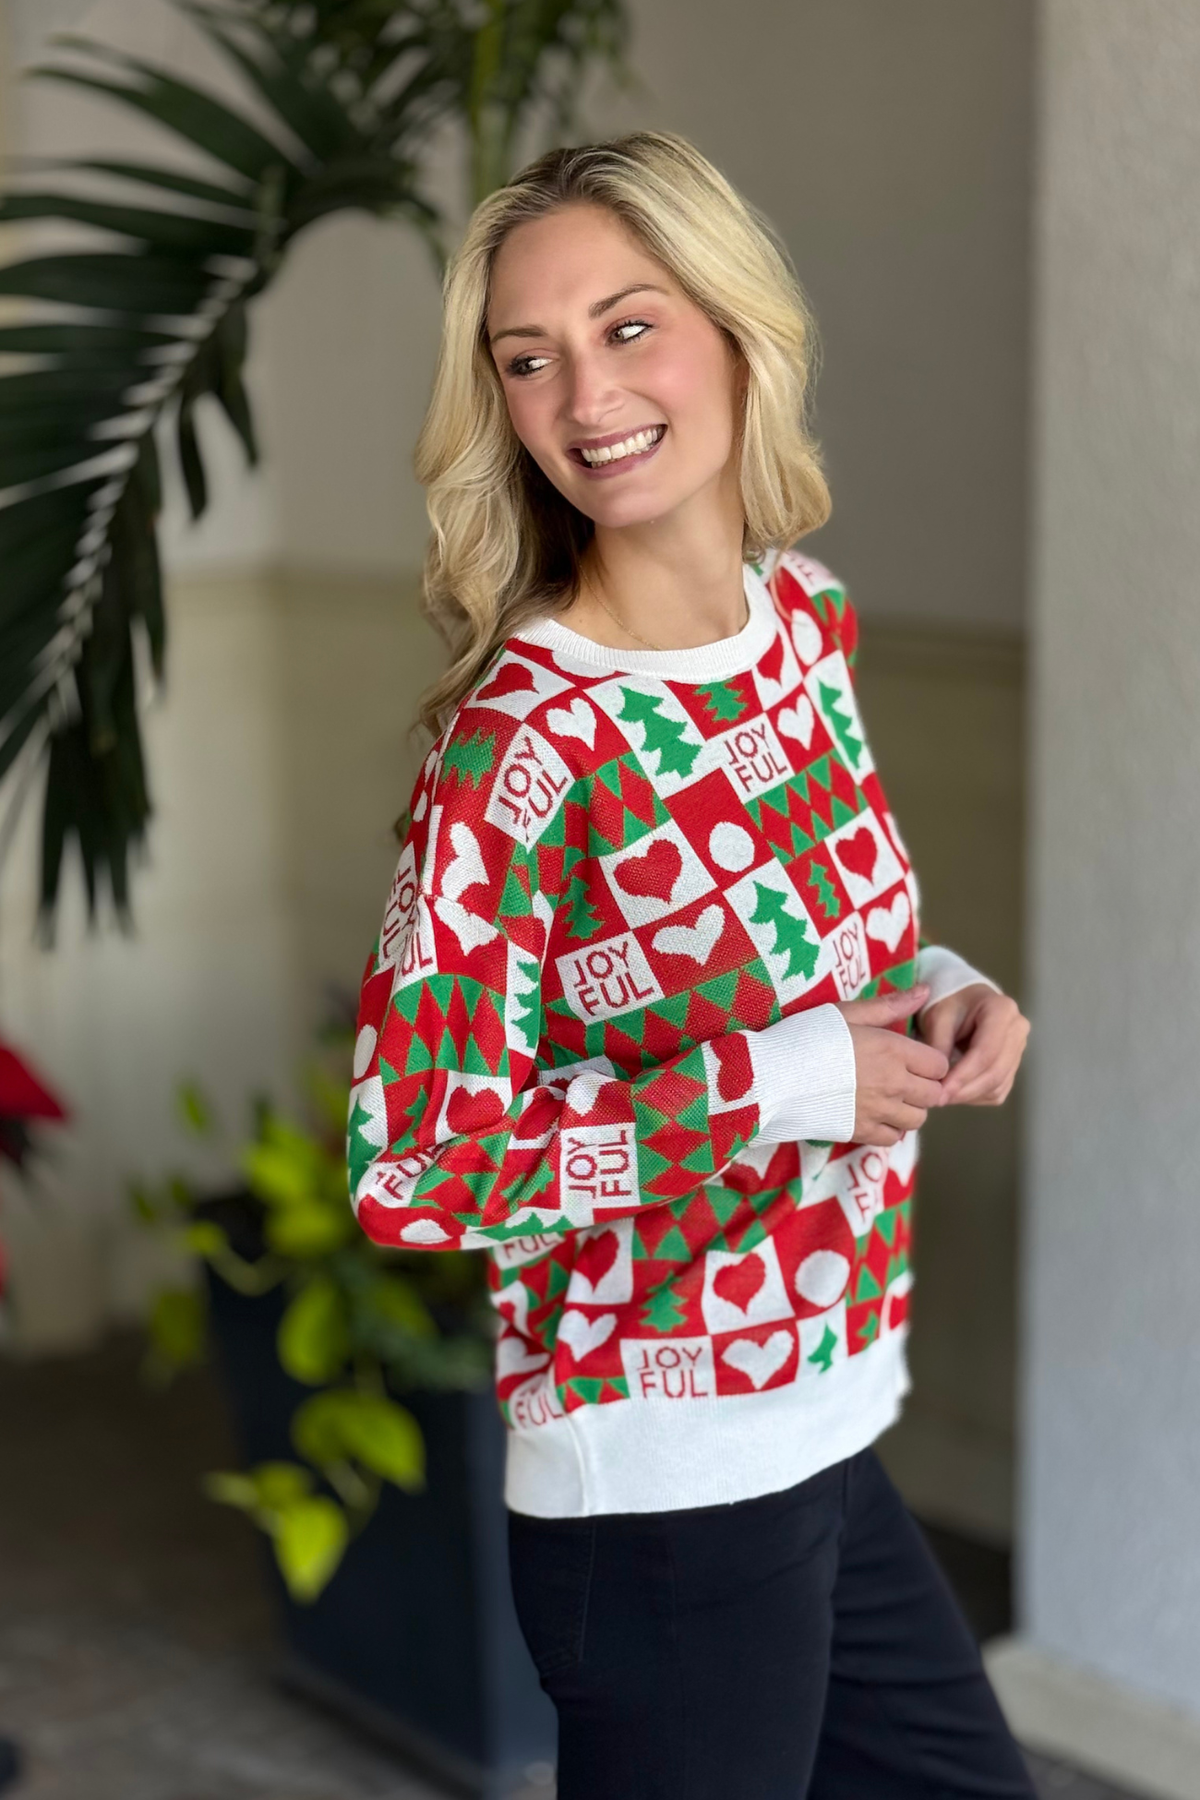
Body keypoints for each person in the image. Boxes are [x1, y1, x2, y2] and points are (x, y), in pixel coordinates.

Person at [348, 132, 1033, 1800]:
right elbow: (414, 1166)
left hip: (825, 1414)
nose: (585, 393)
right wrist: (801, 1085)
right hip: (662, 1490)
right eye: (531, 358)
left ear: (736, 331)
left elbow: (827, 944)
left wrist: (942, 988)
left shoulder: (808, 620)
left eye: (629, 326)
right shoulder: (523, 747)